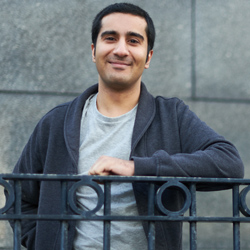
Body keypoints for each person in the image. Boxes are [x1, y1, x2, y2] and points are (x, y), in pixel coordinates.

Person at [8, 3, 244, 250]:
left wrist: (136, 168)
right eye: (110, 38)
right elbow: (18, 197)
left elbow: (229, 164)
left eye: (133, 41)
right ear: (93, 50)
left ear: (148, 57)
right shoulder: (56, 122)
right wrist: (45, 241)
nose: (121, 50)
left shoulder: (172, 115)